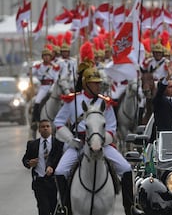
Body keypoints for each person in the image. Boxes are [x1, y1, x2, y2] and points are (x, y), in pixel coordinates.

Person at [53, 67, 134, 215]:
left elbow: (112, 128)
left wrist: (103, 141)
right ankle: (65, 207)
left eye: (99, 83)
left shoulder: (106, 103)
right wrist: (70, 139)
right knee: (60, 171)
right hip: (79, 143)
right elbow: (58, 122)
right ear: (86, 84)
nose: (98, 86)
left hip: (102, 143)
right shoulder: (73, 100)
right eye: (94, 83)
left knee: (127, 169)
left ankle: (130, 207)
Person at [22, 119, 64, 215]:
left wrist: (52, 167)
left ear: (51, 129)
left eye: (47, 126)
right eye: (42, 127)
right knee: (43, 210)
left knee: (55, 209)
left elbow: (60, 159)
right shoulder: (32, 144)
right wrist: (29, 163)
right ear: (39, 130)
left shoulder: (58, 143)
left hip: (54, 183)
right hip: (40, 183)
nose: (45, 128)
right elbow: (25, 159)